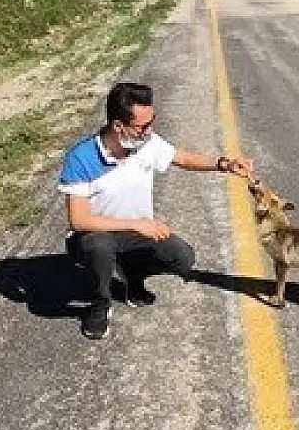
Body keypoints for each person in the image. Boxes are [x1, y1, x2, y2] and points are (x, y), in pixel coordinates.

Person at [56, 81, 255, 340]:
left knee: (182, 257)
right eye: (143, 126)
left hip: (134, 233)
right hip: (93, 234)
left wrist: (224, 164)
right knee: (100, 246)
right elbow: (79, 220)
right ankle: (100, 302)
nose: (150, 131)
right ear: (118, 126)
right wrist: (135, 224)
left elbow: (182, 158)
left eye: (152, 122)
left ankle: (133, 275)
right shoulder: (81, 157)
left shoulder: (145, 143)